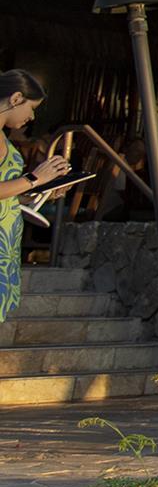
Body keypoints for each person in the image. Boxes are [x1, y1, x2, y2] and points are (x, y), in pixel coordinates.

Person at [0, 71, 69, 323]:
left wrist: (41, 193)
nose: (32, 117)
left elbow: (7, 194)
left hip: (4, 245)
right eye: (31, 108)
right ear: (16, 98)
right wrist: (34, 179)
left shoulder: (5, 140)